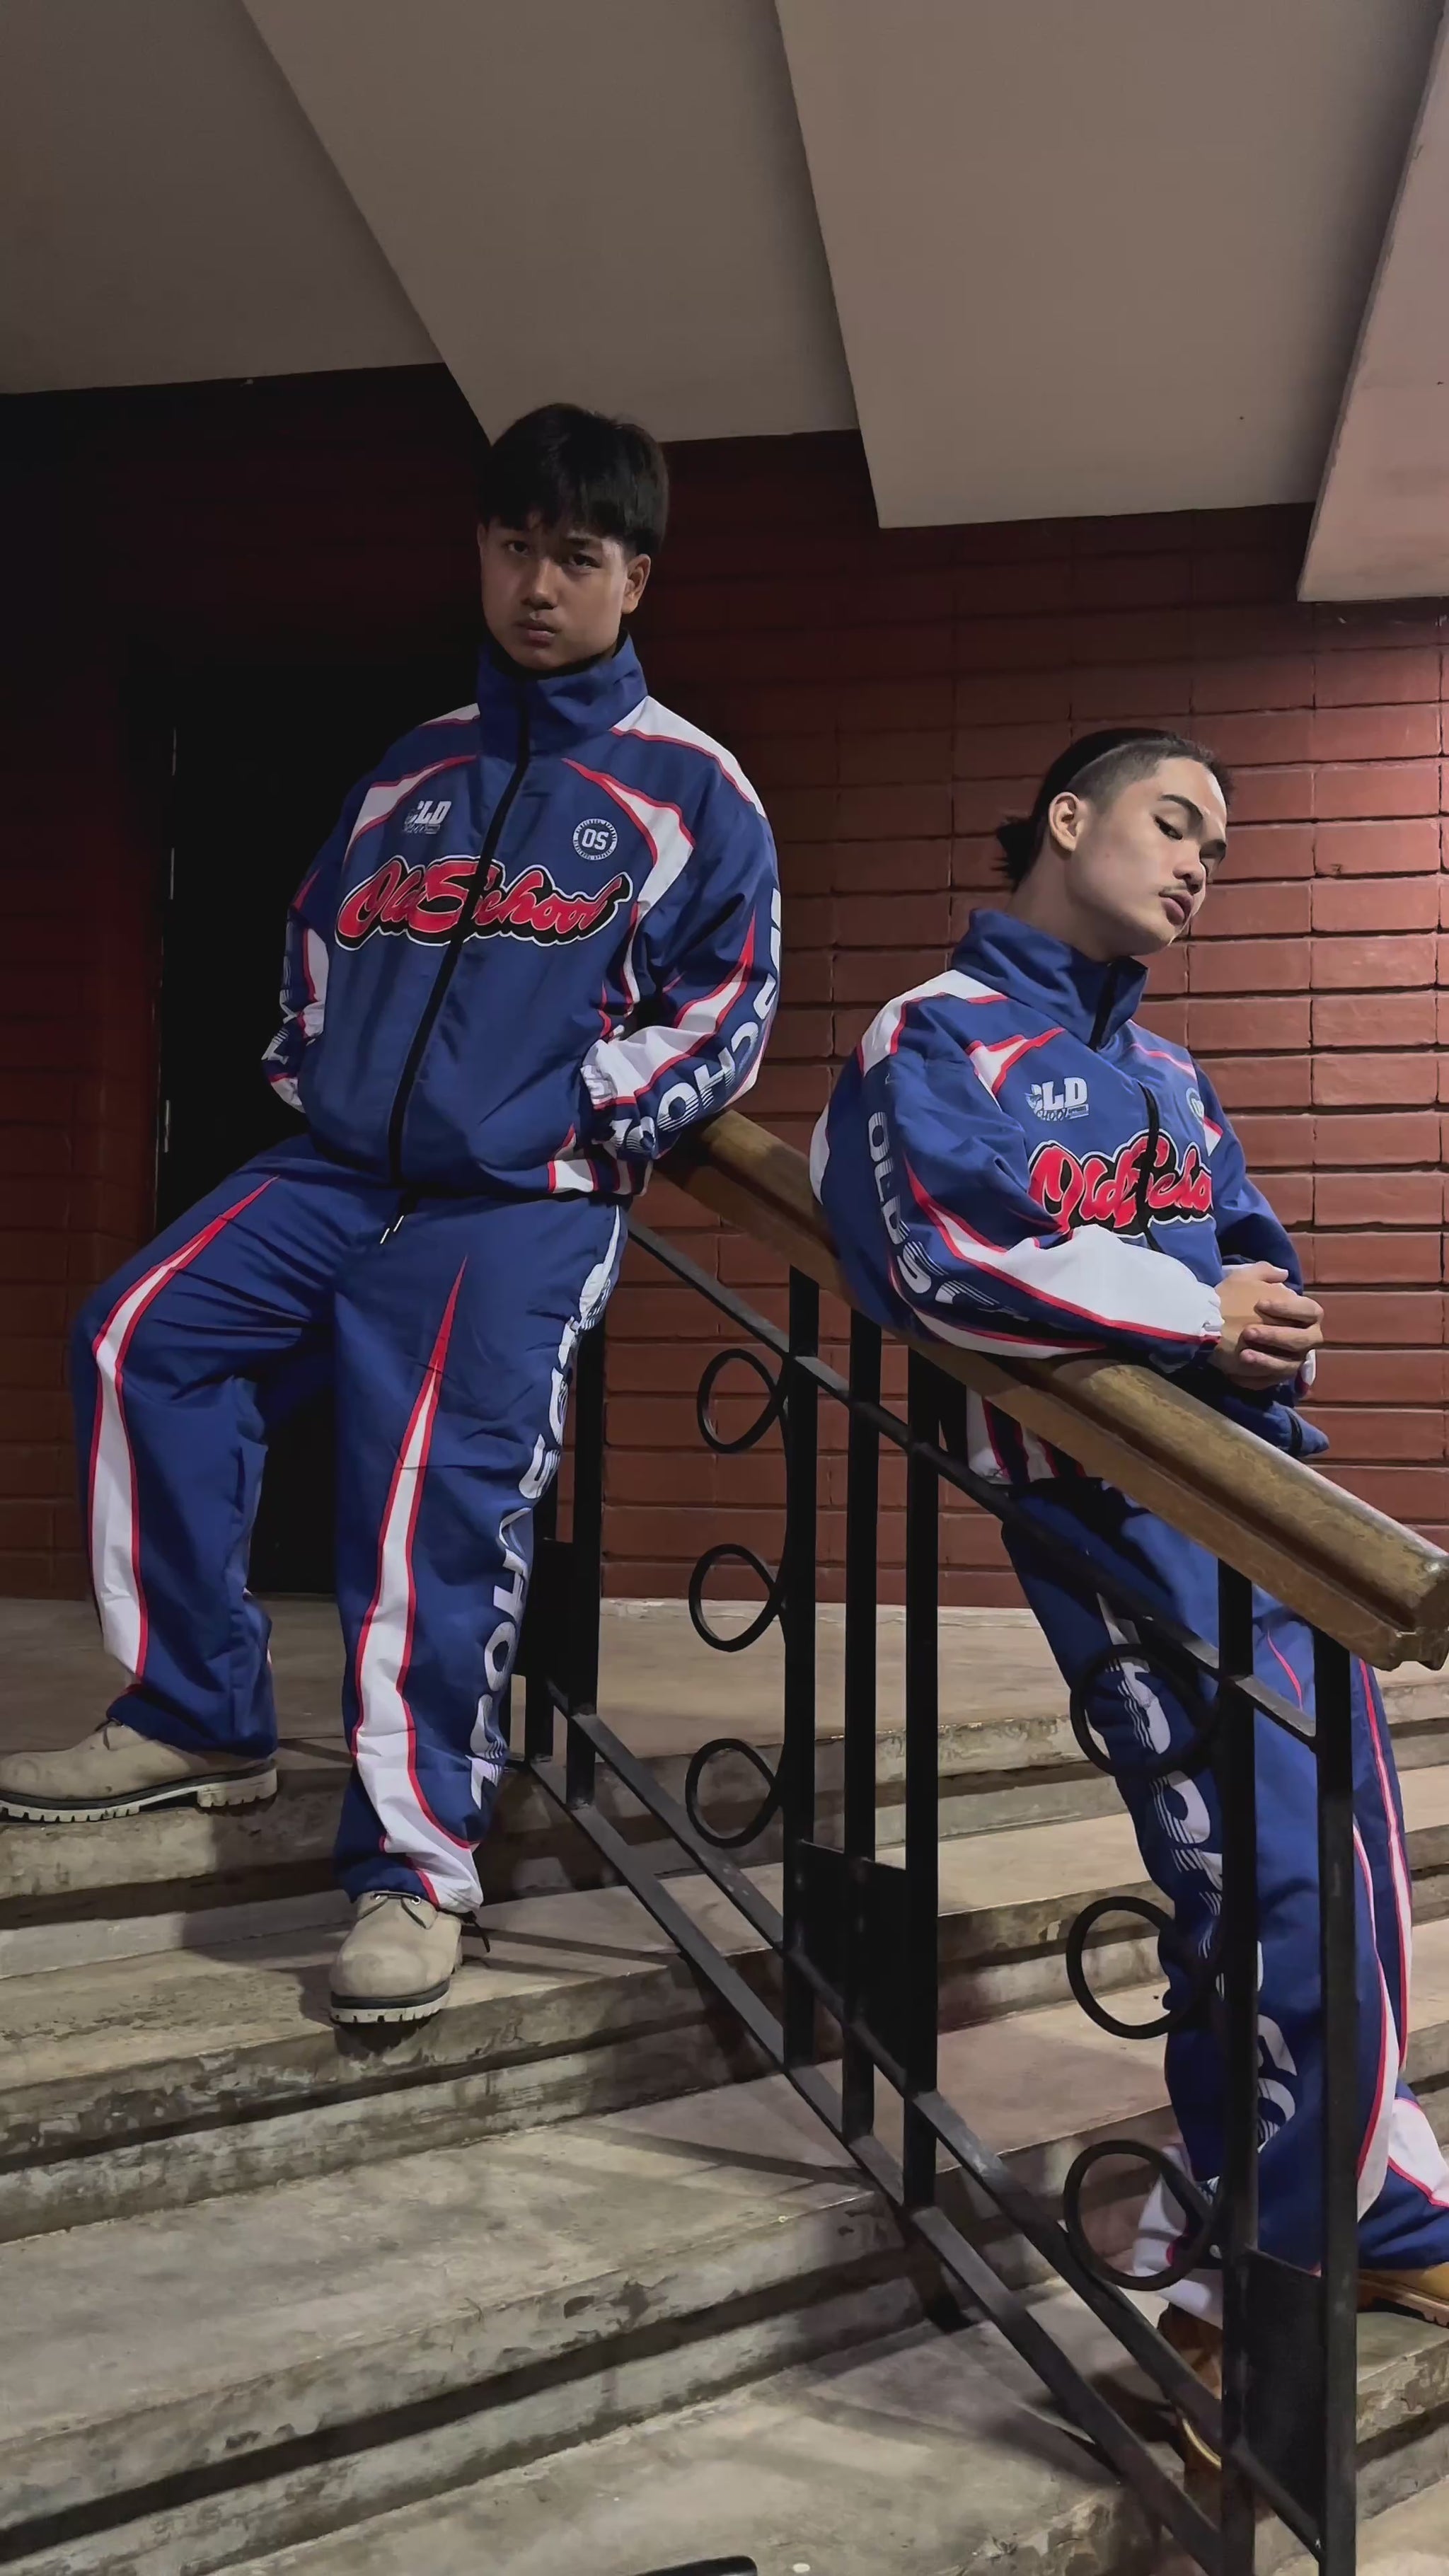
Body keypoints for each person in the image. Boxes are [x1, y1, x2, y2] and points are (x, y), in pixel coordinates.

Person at [1, 404, 780, 2026]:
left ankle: (416, 1868)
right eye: (515, 548)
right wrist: (323, 1070)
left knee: (427, 1505)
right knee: (141, 1337)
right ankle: (197, 1708)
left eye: (577, 556)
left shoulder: (693, 789)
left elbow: (725, 1006)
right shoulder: (413, 765)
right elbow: (315, 933)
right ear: (482, 554)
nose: (539, 586)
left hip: (518, 1206)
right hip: (345, 1168)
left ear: (634, 578)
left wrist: (569, 1116)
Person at [812, 727, 1449, 2435]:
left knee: (1351, 1883)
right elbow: (940, 1258)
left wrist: (1262, 1318)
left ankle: (1371, 2210)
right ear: (1067, 817)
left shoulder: (1168, 1074)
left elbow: (1247, 1251)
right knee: (1268, 1888)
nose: (1195, 868)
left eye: (1217, 853)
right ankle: (1248, 2283)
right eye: (1175, 826)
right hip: (1108, 1512)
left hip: (1265, 1508)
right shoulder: (932, 1036)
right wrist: (1191, 1314)